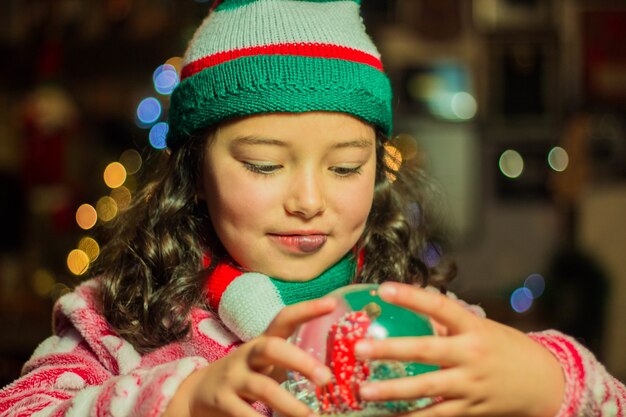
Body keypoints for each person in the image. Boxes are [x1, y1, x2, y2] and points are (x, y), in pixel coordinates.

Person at [1, 1, 625, 416]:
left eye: (346, 167)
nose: (307, 200)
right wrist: (183, 401)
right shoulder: (119, 325)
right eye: (264, 164)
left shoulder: (416, 319)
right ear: (194, 172)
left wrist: (546, 385)